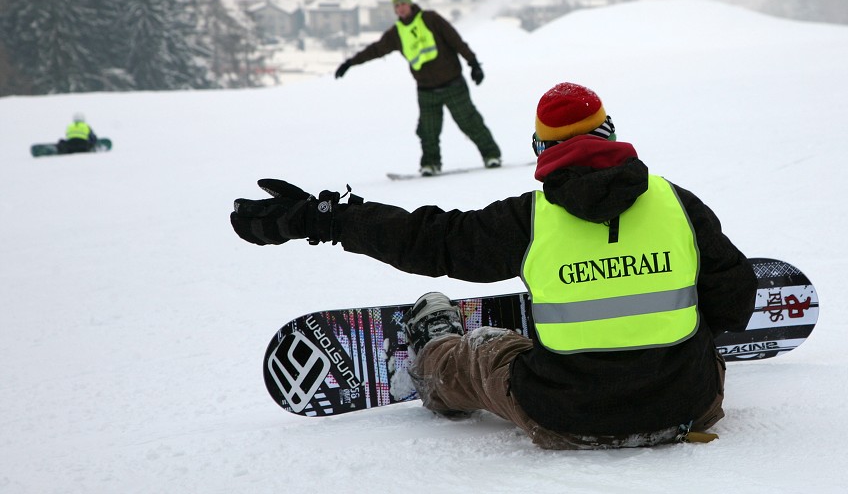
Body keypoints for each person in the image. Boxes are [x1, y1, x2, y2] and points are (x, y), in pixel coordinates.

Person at [230, 82, 757, 450]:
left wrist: (325, 219)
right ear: (610, 133)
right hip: (689, 409)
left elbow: (428, 241)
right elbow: (736, 306)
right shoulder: (678, 206)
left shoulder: (529, 222)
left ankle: (435, 349)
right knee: (698, 332)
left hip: (563, 420)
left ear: (542, 148)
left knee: (481, 354)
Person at [334, 0, 501, 176]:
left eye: (403, 4)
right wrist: (350, 63)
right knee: (427, 131)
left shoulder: (431, 19)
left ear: (410, 4)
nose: (400, 8)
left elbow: (456, 40)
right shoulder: (396, 34)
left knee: (470, 122)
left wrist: (473, 63)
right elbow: (375, 50)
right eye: (396, 6)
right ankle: (430, 164)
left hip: (452, 83)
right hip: (426, 90)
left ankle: (491, 155)